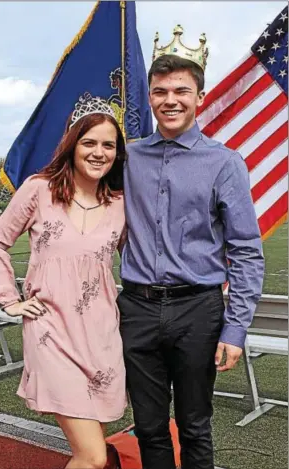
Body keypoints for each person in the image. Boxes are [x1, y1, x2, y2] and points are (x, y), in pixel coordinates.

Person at [117, 44, 265, 469]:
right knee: (147, 426)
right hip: (137, 308)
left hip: (197, 309)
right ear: (149, 97)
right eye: (161, 91)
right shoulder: (127, 158)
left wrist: (235, 328)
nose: (171, 100)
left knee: (195, 425)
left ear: (200, 96)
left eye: (182, 91)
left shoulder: (224, 163)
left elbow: (246, 252)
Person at [0, 95, 127, 469]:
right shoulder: (39, 190)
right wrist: (9, 299)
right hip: (51, 333)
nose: (98, 152)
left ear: (117, 151)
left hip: (102, 336)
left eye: (108, 144)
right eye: (89, 142)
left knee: (90, 448)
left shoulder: (121, 204)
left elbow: (148, 257)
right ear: (72, 144)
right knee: (93, 457)